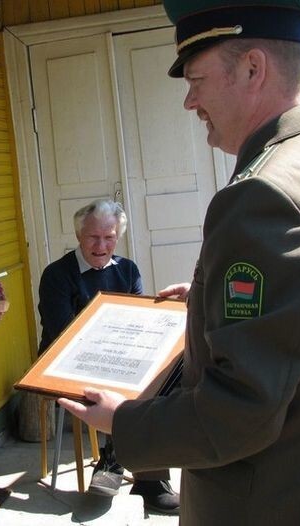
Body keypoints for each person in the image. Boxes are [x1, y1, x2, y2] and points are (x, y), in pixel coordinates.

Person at [58, 1, 300, 524]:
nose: (189, 101)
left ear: (253, 68)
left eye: (196, 78)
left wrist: (123, 422)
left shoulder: (261, 195)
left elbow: (240, 410)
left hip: (279, 502)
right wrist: (208, 302)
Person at [37, 198, 179, 513]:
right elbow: (63, 334)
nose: (102, 245)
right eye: (93, 237)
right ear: (78, 236)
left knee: (164, 377)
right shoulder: (57, 275)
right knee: (128, 389)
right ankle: (132, 471)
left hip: (117, 356)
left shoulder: (127, 269)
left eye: (109, 237)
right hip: (68, 360)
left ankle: (123, 466)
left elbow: (140, 319)